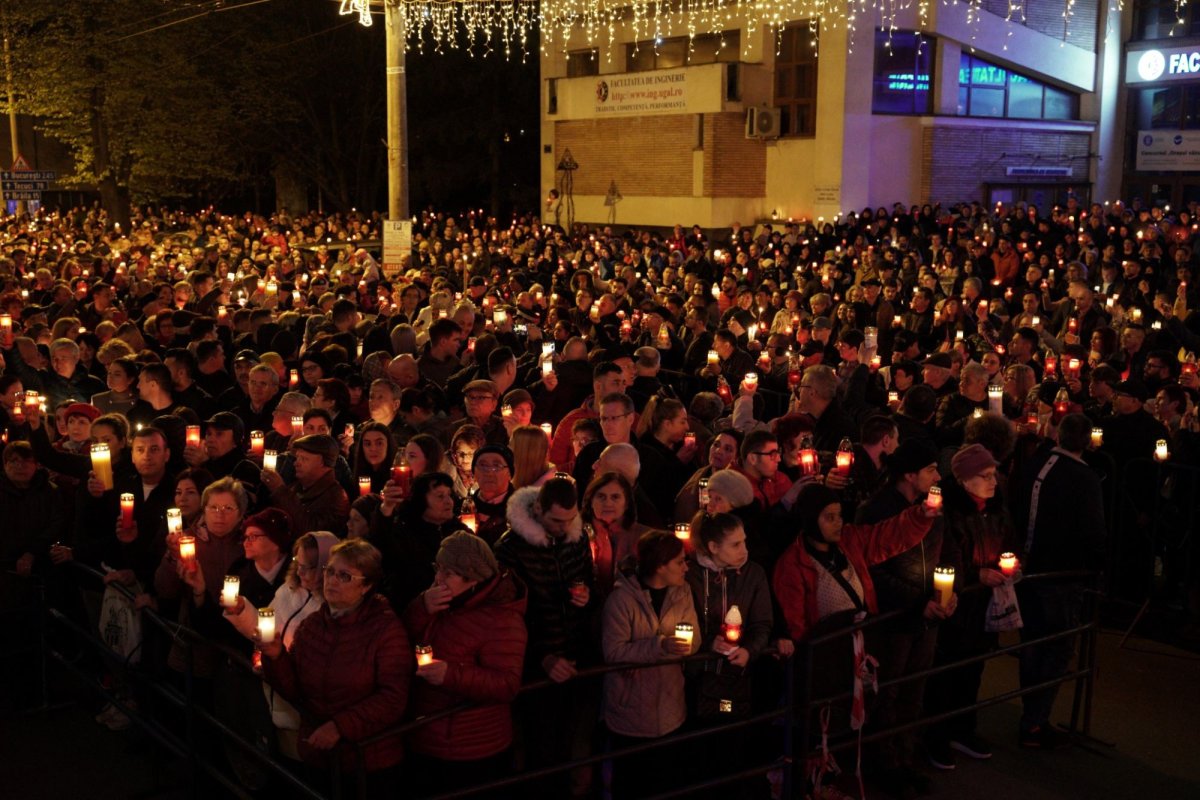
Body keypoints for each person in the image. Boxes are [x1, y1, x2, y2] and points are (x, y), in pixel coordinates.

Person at [261, 539, 412, 792]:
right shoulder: (312, 626)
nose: (331, 580)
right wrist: (276, 657)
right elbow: (295, 690)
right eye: (330, 571)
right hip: (319, 755)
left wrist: (340, 726)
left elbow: (392, 698)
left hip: (368, 762)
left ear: (366, 586)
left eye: (344, 576)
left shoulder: (385, 631)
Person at [855, 439, 959, 796]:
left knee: (914, 690)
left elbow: (945, 553)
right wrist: (917, 602)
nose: (937, 475)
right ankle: (882, 764)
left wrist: (948, 592)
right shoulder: (879, 510)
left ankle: (903, 759)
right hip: (893, 619)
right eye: (930, 469)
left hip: (924, 616)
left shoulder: (930, 506)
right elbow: (873, 568)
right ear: (909, 475)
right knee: (887, 692)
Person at [403, 532, 529, 794]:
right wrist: (421, 607)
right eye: (438, 568)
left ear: (473, 579)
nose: (438, 578)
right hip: (426, 735)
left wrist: (451, 674)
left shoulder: (503, 620)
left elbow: (507, 684)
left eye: (448, 573)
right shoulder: (443, 601)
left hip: (470, 748)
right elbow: (405, 637)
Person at [493, 477, 595, 797]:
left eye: (569, 520)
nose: (563, 528)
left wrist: (585, 596)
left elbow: (587, 580)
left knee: (572, 745)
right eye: (555, 520)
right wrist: (543, 656)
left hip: (576, 658)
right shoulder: (510, 548)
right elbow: (507, 618)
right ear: (538, 508)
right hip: (535, 667)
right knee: (540, 750)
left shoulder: (575, 538)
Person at [1013, 413, 1106, 748]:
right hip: (1061, 575)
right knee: (1057, 647)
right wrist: (1097, 567)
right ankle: (1034, 721)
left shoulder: (1035, 464)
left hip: (1026, 569)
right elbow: (1093, 531)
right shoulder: (1084, 479)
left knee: (1032, 645)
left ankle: (1031, 715)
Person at [924, 444, 1014, 771]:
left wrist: (1011, 565)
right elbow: (946, 558)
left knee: (974, 669)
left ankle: (963, 729)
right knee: (945, 673)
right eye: (985, 476)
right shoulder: (948, 513)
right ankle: (936, 737)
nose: (994, 481)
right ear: (963, 480)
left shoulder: (996, 509)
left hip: (983, 606)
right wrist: (976, 575)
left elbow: (1010, 543)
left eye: (994, 474)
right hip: (958, 605)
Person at [601, 530, 699, 799]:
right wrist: (660, 647)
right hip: (631, 710)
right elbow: (613, 652)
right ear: (660, 566)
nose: (685, 566)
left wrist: (646, 653)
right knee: (632, 784)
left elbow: (694, 639)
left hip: (670, 706)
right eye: (679, 561)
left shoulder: (682, 592)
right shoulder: (621, 601)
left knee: (666, 782)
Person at [225, 530, 339, 760]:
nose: (300, 571)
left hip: (298, 706)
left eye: (308, 566)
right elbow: (266, 627)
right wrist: (241, 611)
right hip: (272, 695)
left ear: (326, 568)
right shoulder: (288, 591)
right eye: (297, 562)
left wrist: (279, 660)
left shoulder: (329, 608)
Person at [372, 471, 468, 611]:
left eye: (449, 495)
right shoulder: (404, 533)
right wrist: (386, 508)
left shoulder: (459, 532)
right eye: (440, 496)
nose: (449, 501)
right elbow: (379, 545)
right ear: (421, 501)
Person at [582, 471, 655, 599]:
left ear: (626, 504)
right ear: (591, 502)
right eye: (601, 496)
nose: (608, 503)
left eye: (615, 497)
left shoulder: (645, 538)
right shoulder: (577, 535)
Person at [260, 434, 350, 538]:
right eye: (297, 458)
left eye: (304, 459)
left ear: (321, 461)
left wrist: (280, 490)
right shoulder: (296, 487)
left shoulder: (336, 497)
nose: (296, 463)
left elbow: (310, 533)